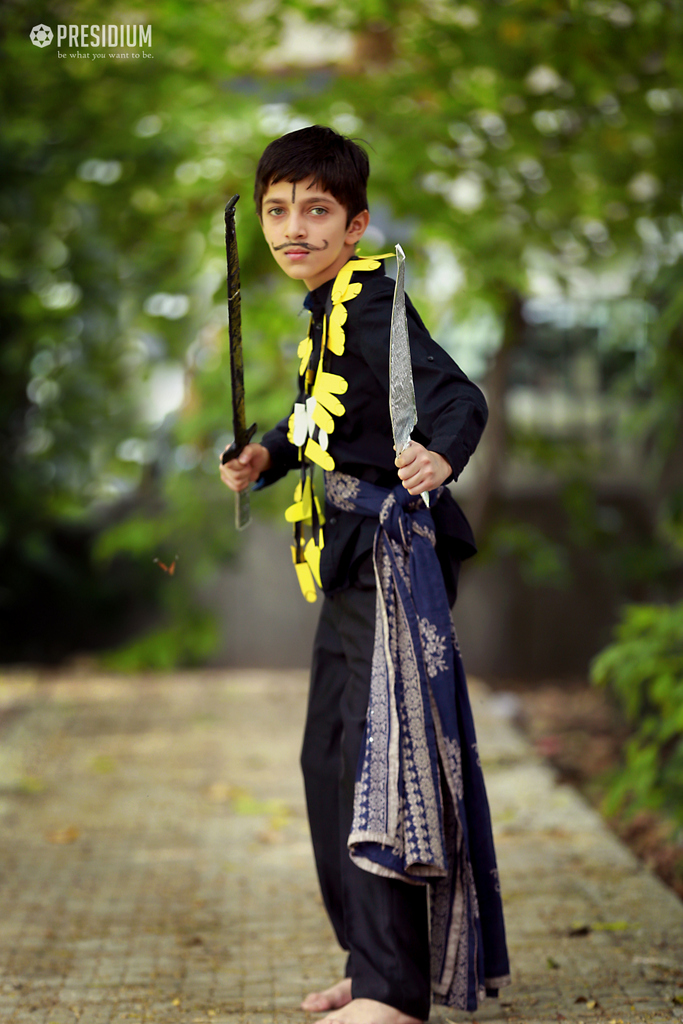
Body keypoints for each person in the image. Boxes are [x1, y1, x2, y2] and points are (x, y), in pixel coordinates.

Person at [219, 125, 509, 1024]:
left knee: (371, 766)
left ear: (356, 223)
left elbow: (459, 396)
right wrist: (265, 455)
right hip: (344, 568)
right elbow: (315, 416)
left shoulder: (372, 299)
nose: (291, 227)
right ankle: (375, 962)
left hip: (385, 564)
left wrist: (441, 456)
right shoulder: (327, 307)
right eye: (276, 210)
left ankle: (389, 995)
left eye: (315, 209)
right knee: (329, 763)